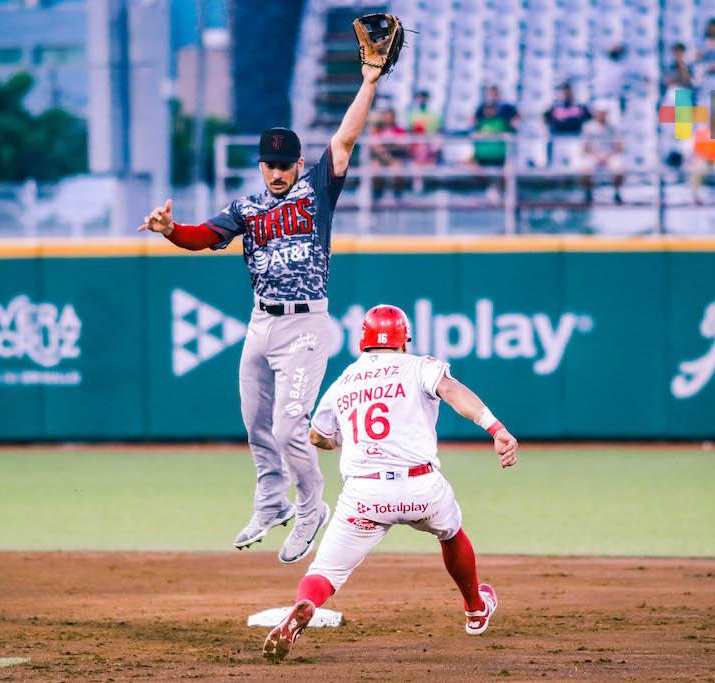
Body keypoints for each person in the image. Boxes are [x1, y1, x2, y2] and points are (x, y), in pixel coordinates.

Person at [138, 47, 385, 565]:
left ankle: (312, 508)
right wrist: (170, 231)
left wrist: (368, 81)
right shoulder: (246, 208)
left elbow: (345, 139)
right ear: (260, 165)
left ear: (299, 164)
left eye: (284, 164)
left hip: (306, 323)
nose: (276, 172)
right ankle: (272, 502)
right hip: (261, 323)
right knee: (256, 423)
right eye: (269, 164)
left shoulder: (316, 191)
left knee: (290, 428)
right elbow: (203, 236)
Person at [261, 305, 520, 662]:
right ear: (404, 341)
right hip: (421, 489)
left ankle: (305, 605)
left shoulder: (346, 380)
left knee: (324, 572)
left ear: (362, 342)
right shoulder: (418, 366)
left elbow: (318, 436)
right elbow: (451, 390)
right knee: (450, 533)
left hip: (365, 495)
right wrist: (495, 427)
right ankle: (476, 609)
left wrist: (342, 440)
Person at [579, 101, 624, 204]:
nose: (602, 114)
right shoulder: (587, 127)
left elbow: (619, 145)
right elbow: (585, 147)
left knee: (620, 168)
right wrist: (597, 156)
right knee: (585, 169)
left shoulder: (613, 127)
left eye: (604, 112)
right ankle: (588, 194)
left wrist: (607, 156)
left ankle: (617, 193)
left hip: (610, 155)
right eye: (600, 112)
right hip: (593, 155)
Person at [473, 85, 520, 166]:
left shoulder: (506, 107)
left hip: (501, 148)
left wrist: (513, 125)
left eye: (494, 94)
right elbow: (474, 120)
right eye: (490, 94)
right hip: (485, 150)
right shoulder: (482, 108)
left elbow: (517, 117)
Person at [406, 90, 442, 165]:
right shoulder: (412, 114)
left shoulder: (435, 115)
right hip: (417, 141)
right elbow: (411, 130)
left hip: (430, 141)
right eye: (420, 98)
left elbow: (438, 130)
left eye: (424, 98)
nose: (422, 100)